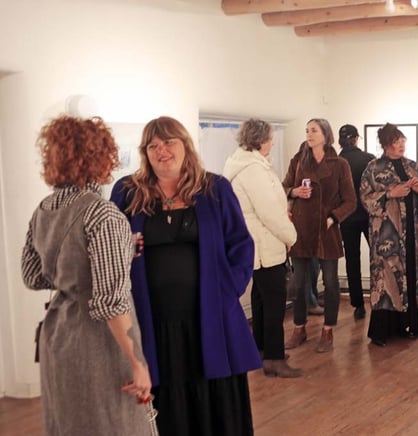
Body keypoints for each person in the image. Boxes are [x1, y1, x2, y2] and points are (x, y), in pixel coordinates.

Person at [110, 116, 260, 435]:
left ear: (185, 146)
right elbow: (110, 250)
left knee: (216, 405)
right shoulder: (126, 192)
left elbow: (241, 244)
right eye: (153, 146)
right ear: (145, 152)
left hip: (209, 318)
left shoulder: (214, 188)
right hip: (152, 321)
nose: (161, 151)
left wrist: (226, 290)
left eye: (168, 142)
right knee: (168, 407)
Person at [21, 115, 154, 435]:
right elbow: (110, 303)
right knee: (115, 425)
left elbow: (33, 276)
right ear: (100, 156)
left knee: (69, 425)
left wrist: (113, 252)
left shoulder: (43, 209)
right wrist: (137, 362)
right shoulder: (102, 212)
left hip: (58, 336)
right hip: (98, 343)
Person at [222, 118, 302, 378]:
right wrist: (291, 236)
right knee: (274, 302)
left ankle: (261, 349)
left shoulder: (240, 164)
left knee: (260, 299)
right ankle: (274, 359)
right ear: (260, 141)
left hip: (254, 245)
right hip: (265, 245)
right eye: (270, 139)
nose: (272, 143)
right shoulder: (253, 170)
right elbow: (270, 212)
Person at [360, 123, 418, 346]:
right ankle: (382, 331)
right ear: (386, 144)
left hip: (410, 232)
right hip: (386, 234)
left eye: (403, 140)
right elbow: (365, 199)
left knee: (410, 275)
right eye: (396, 141)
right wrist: (390, 193)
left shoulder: (412, 166)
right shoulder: (373, 168)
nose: (401, 145)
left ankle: (408, 326)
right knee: (386, 278)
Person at [283, 119, 357, 353]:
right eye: (307, 131)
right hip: (301, 230)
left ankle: (327, 330)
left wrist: (333, 217)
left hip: (326, 230)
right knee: (299, 284)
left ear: (326, 134)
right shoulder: (298, 160)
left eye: (314, 130)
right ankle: (299, 328)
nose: (309, 134)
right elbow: (283, 188)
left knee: (331, 283)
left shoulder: (340, 164)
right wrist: (294, 191)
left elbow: (351, 201)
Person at [338, 124, 376, 320]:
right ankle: (379, 299)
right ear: (356, 138)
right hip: (369, 214)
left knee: (352, 260)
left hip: (347, 217)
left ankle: (358, 304)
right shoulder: (368, 159)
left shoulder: (337, 161)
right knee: (377, 258)